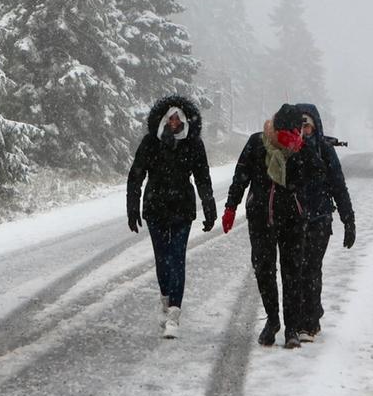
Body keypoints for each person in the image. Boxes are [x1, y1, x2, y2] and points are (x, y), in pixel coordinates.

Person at [222, 103, 324, 348]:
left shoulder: (302, 149)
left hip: (293, 221)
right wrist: (231, 207)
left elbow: (318, 175)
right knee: (263, 269)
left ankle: (291, 329)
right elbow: (240, 176)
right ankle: (273, 320)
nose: (289, 136)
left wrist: (303, 151)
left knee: (292, 273)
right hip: (261, 218)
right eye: (285, 131)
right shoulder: (258, 143)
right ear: (275, 127)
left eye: (294, 131)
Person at [127, 95, 217, 339]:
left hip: (182, 208)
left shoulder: (193, 143)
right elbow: (136, 175)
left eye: (178, 118)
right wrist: (132, 206)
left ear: (185, 120)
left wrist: (209, 205)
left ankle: (174, 313)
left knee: (177, 257)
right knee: (162, 258)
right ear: (164, 119)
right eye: (170, 118)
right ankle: (165, 300)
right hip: (155, 206)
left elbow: (203, 177)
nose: (174, 122)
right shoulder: (150, 142)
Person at [291, 102, 355, 338]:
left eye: (307, 126)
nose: (303, 130)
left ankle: (310, 321)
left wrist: (348, 220)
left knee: (311, 269)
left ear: (315, 126)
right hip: (294, 220)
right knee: (295, 270)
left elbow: (339, 186)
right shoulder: (289, 150)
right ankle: (297, 319)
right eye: (299, 126)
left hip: (319, 220)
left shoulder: (325, 151)